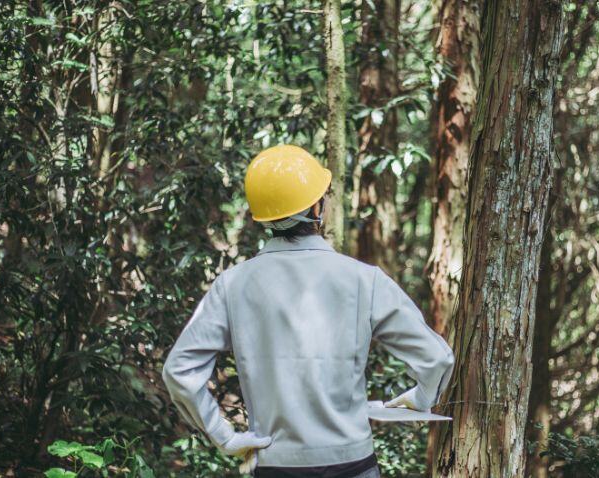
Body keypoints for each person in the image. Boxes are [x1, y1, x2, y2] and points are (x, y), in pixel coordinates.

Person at [161, 144, 455, 478]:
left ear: (266, 216)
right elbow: (437, 358)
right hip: (353, 464)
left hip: (276, 465)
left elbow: (179, 371)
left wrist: (225, 437)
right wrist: (421, 396)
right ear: (317, 207)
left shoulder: (232, 285)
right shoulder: (364, 279)